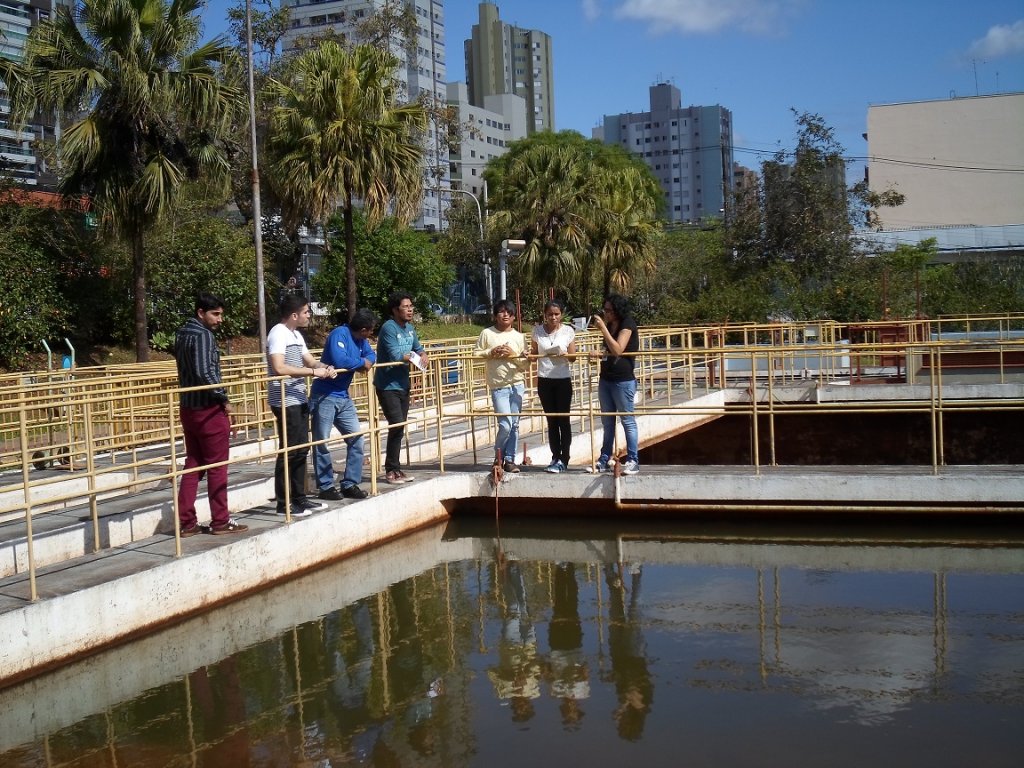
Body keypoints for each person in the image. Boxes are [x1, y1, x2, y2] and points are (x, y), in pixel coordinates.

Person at [173, 292, 247, 536]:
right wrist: (224, 400)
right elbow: (206, 372)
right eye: (215, 314)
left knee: (193, 464)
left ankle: (186, 523)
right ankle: (220, 521)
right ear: (200, 313)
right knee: (217, 467)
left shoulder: (182, 333)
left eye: (221, 314)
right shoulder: (203, 335)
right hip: (208, 410)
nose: (219, 320)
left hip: (188, 408)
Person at [267, 294, 333, 517]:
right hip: (285, 400)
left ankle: (300, 498)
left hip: (298, 398)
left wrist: (325, 367)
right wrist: (313, 372)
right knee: (290, 451)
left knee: (301, 450)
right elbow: (279, 367)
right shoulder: (278, 333)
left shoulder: (295, 335)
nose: (308, 315)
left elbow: (310, 360)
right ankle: (284, 503)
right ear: (294, 315)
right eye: (306, 312)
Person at [310, 308, 377, 501]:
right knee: (321, 441)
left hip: (344, 397)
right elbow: (341, 360)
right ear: (363, 329)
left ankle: (349, 483)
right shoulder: (339, 334)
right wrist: (361, 363)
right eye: (370, 330)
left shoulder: (361, 340)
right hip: (325, 395)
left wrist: (364, 362)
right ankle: (326, 485)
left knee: (357, 438)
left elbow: (371, 357)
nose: (371, 335)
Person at [373, 292, 427, 484]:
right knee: (396, 424)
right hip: (387, 385)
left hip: (403, 384)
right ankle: (391, 470)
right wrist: (414, 357)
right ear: (395, 310)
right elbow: (396, 355)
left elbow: (418, 347)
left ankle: (396, 468)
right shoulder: (388, 328)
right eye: (405, 306)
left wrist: (422, 354)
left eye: (411, 306)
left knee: (400, 427)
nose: (410, 309)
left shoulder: (410, 328)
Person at [590, 293, 640, 474]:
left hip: (623, 380)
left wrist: (603, 328)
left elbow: (618, 349)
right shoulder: (610, 324)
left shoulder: (627, 323)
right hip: (606, 379)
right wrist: (599, 353)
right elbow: (609, 350)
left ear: (617, 310)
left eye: (609, 310)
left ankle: (633, 459)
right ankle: (604, 457)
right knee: (607, 421)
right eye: (605, 309)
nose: (606, 313)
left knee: (627, 420)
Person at [476, 299, 528, 472]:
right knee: (505, 424)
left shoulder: (519, 337)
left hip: (517, 385)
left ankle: (509, 459)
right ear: (495, 315)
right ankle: (498, 455)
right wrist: (491, 352)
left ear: (513, 316)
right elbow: (476, 355)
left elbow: (525, 365)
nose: (505, 315)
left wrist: (512, 355)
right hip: (499, 386)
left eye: (509, 312)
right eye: (501, 312)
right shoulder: (487, 334)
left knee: (514, 424)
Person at [531, 300, 577, 473]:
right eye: (550, 314)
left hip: (562, 379)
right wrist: (529, 354)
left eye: (557, 314)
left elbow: (573, 357)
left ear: (561, 314)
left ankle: (565, 458)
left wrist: (566, 354)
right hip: (545, 379)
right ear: (545, 314)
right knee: (551, 421)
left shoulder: (568, 331)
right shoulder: (537, 331)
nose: (553, 317)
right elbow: (534, 354)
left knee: (563, 420)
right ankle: (555, 456)